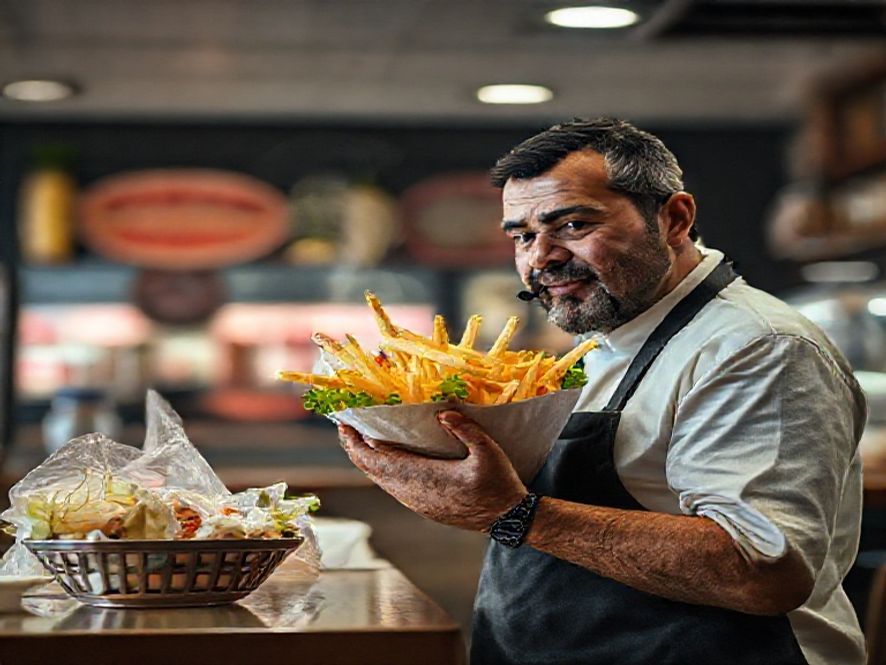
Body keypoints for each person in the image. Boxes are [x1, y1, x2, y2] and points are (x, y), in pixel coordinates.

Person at [338, 118, 866, 665]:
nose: (540, 257)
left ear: (674, 218)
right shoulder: (602, 339)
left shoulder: (755, 346)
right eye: (521, 235)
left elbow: (760, 570)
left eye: (570, 225)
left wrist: (511, 512)